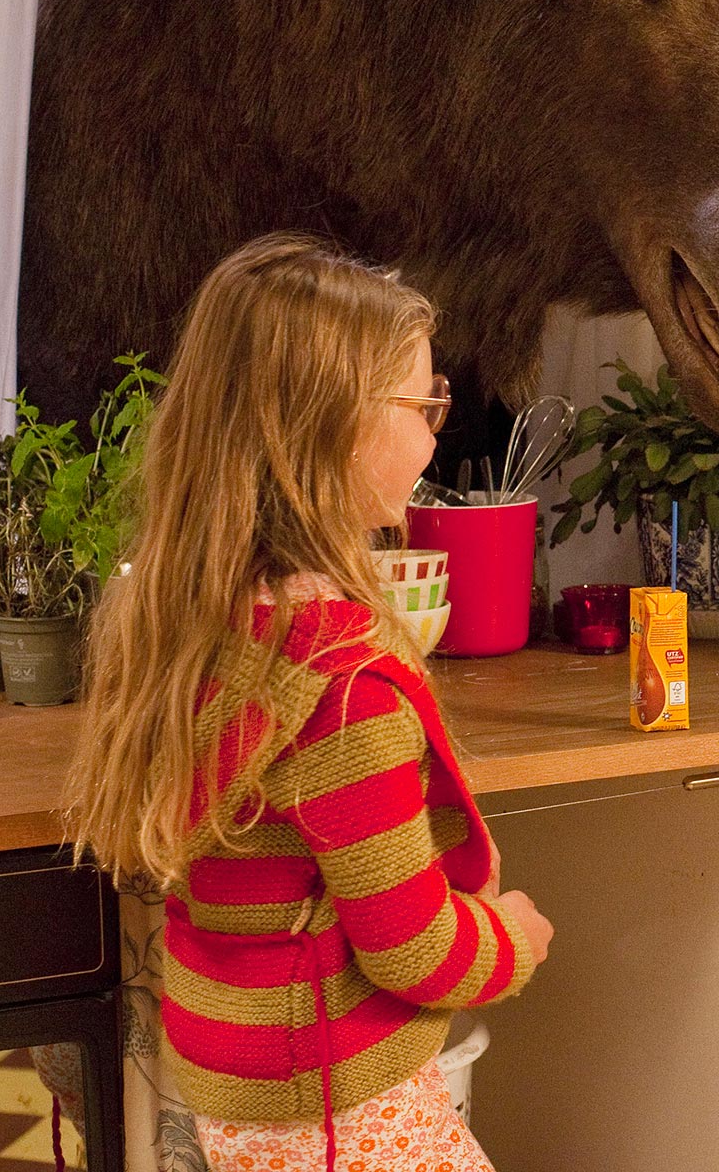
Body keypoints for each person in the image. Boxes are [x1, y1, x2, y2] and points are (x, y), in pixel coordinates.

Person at [63, 234, 554, 1172]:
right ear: (338, 431)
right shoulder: (343, 688)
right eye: (423, 404)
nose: (436, 430)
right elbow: (412, 948)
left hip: (251, 1089)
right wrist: (513, 939)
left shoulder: (197, 624)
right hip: (340, 1102)